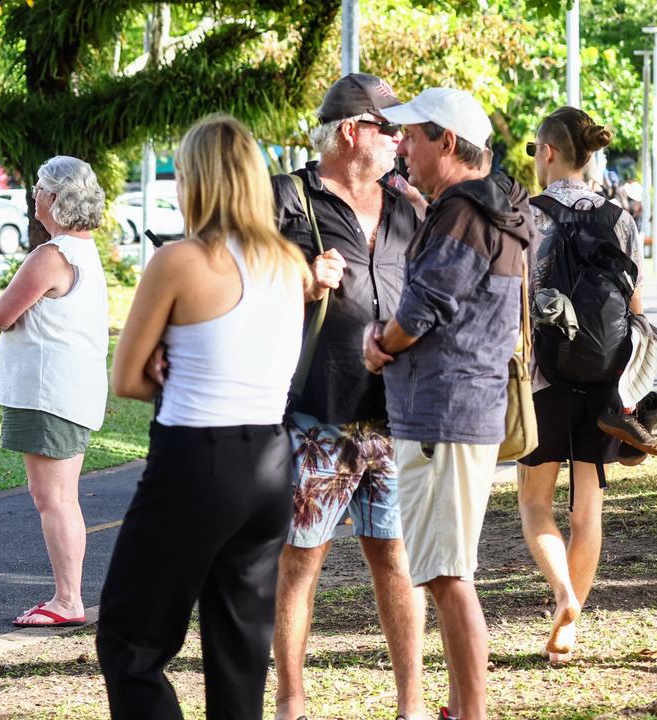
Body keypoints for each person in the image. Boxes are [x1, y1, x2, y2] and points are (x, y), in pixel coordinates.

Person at [98, 114, 310, 719]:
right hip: (271, 464)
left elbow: (127, 379)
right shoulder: (290, 263)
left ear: (198, 180)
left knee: (130, 642)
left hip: (197, 460)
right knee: (239, 657)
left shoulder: (179, 261)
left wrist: (173, 367)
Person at [366, 88, 532, 720]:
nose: (401, 145)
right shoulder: (494, 206)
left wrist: (377, 341)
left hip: (444, 411)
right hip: (465, 407)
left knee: (445, 575)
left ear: (447, 142)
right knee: (444, 568)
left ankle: (472, 713)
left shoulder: (462, 214)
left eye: (411, 135)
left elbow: (425, 307)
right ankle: (462, 708)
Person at [269, 74, 428, 720]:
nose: (399, 140)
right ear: (352, 131)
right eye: (390, 128)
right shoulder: (287, 197)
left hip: (395, 414)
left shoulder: (408, 204)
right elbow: (232, 273)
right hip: (317, 413)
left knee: (397, 558)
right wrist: (300, 280)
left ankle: (411, 705)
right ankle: (291, 702)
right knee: (301, 561)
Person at [517, 107, 648, 665]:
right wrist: (631, 386)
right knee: (586, 509)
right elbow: (635, 308)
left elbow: (517, 304)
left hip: (545, 376)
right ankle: (568, 627)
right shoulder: (620, 218)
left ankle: (563, 595)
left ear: (547, 152)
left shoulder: (527, 216)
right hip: (605, 377)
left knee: (534, 504)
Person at [0, 155, 109, 628]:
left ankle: (67, 599)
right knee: (60, 496)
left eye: (38, 187)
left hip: (48, 391)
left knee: (52, 498)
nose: (33, 194)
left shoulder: (50, 256)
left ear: (55, 198)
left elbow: (1, 315)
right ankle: (67, 595)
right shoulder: (83, 253)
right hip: (70, 389)